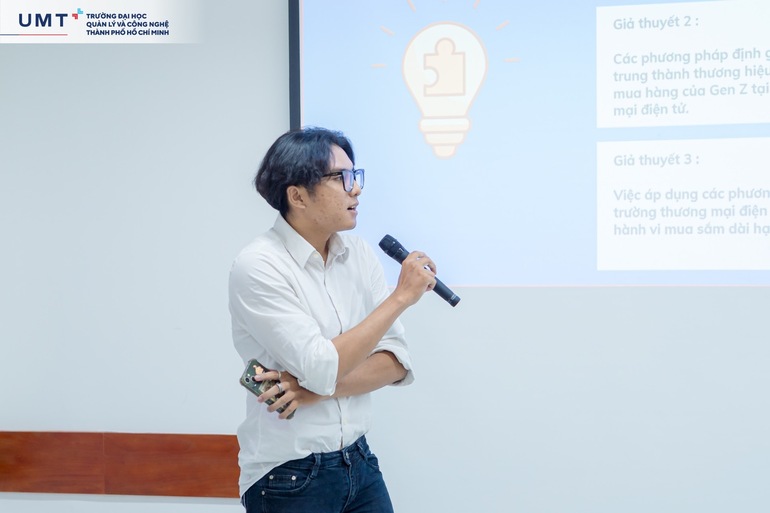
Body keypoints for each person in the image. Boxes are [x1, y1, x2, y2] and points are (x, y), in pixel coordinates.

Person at [229, 127, 437, 512]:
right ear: (297, 196)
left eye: (355, 175)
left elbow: (396, 363)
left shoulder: (358, 254)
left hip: (359, 460)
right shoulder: (259, 265)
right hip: (289, 475)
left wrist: (312, 391)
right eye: (340, 177)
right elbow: (320, 368)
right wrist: (400, 298)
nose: (355, 189)